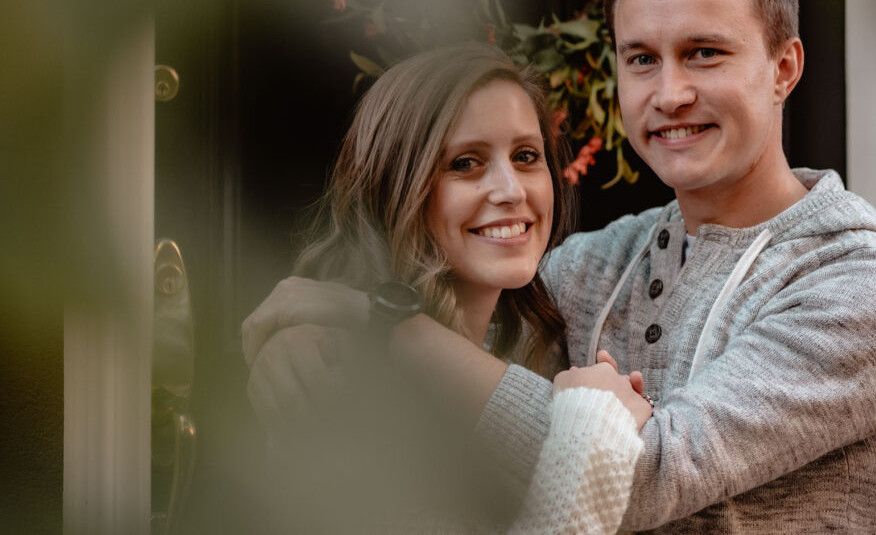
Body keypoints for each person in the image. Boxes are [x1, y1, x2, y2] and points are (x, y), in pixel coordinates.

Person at [245, 0, 876, 532]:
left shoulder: (865, 286)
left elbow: (639, 476)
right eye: (642, 59)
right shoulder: (586, 267)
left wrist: (384, 324)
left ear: (783, 67)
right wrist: (310, 340)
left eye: (704, 52)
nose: (670, 93)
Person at [246, 41, 651, 532]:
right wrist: (597, 424)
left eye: (526, 156)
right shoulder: (344, 379)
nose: (511, 190)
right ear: (397, 187)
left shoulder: (519, 344)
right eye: (465, 163)